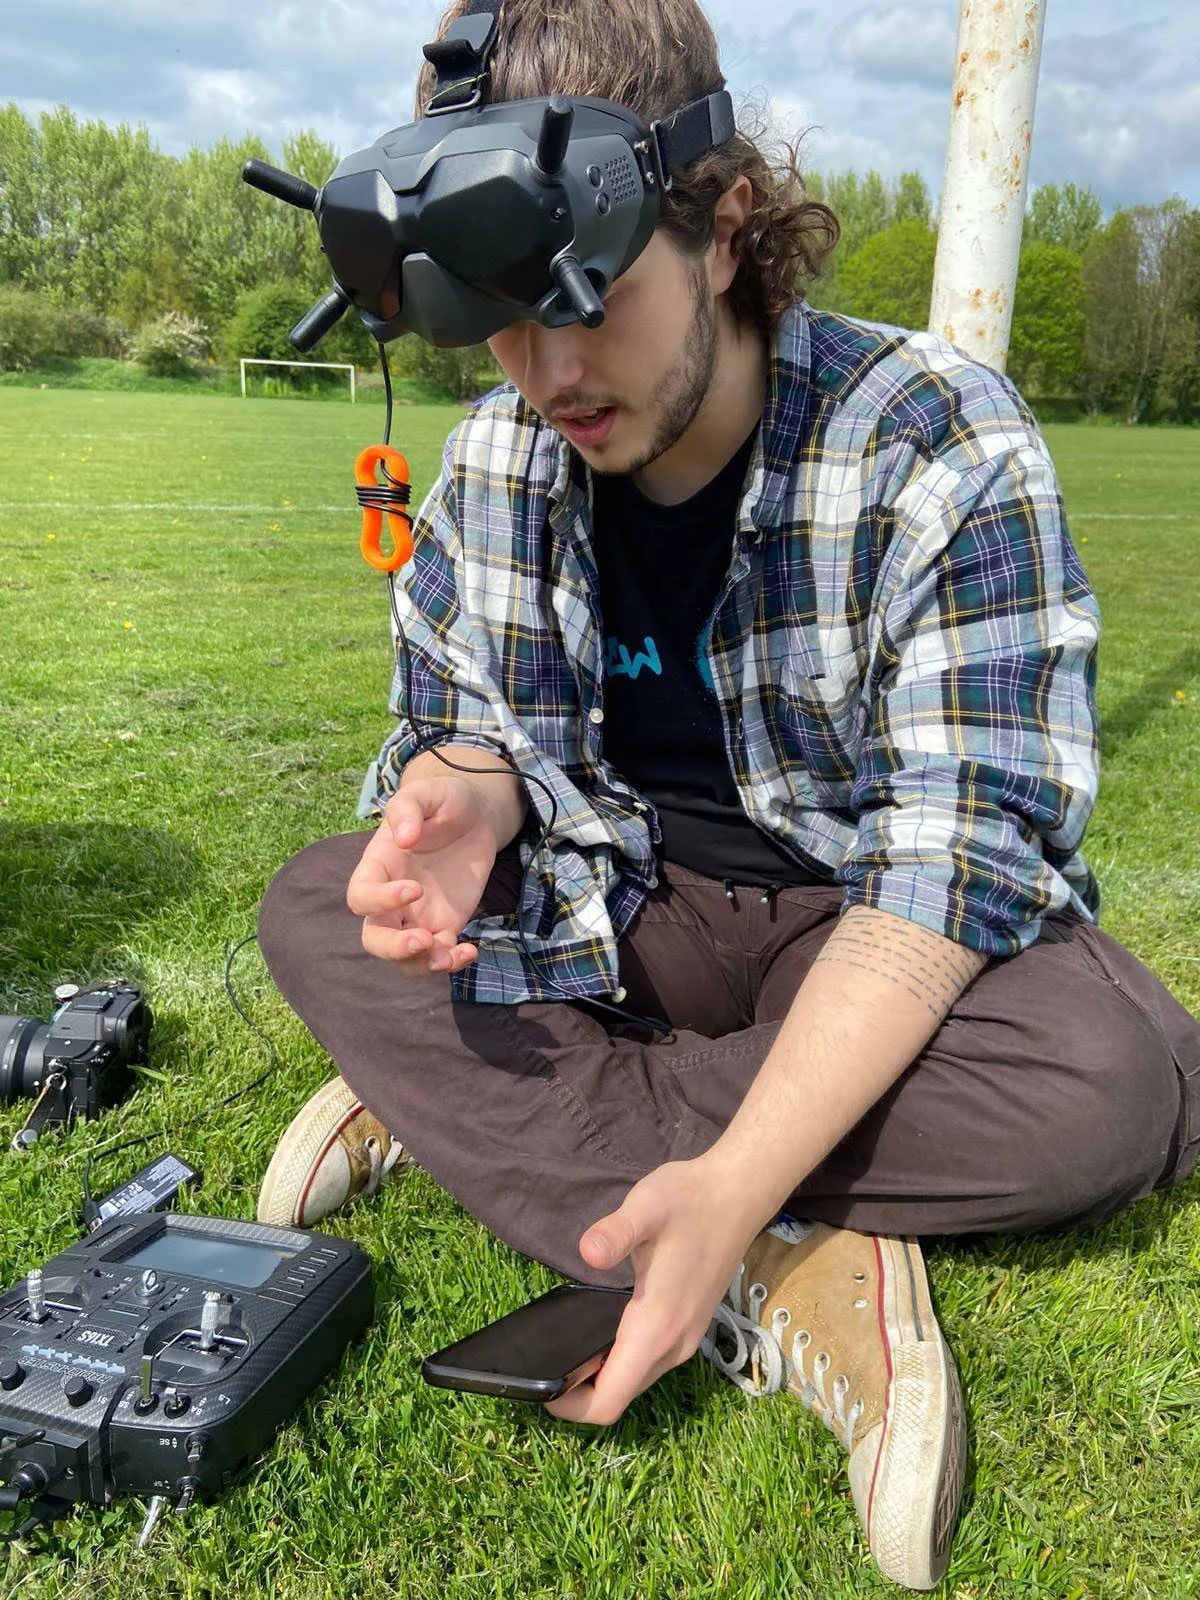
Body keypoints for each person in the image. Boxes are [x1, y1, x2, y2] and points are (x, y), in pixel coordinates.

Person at [254, 0, 1200, 1587]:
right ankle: (785, 1236)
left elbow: (958, 859)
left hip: (869, 939)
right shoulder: (495, 465)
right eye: (500, 318)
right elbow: (463, 724)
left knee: (1115, 1078)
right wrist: (465, 802)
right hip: (626, 911)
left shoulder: (937, 442)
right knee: (316, 909)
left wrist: (739, 1163)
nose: (546, 371)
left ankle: (539, 1125)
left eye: (589, 305)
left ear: (724, 220)